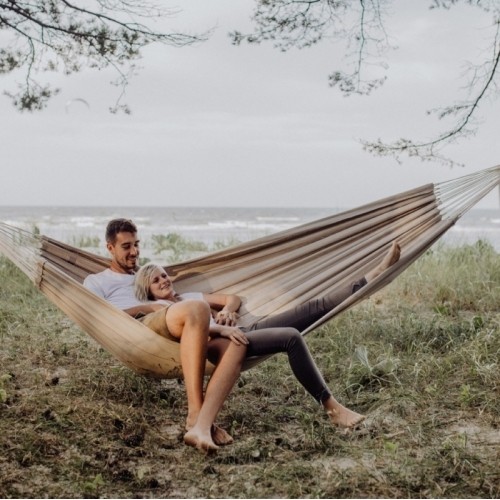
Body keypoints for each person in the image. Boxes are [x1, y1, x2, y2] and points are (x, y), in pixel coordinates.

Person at [134, 240, 401, 431]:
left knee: (313, 308)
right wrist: (221, 328)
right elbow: (192, 332)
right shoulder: (164, 310)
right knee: (291, 337)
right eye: (156, 281)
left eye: (164, 275)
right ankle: (332, 408)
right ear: (149, 292)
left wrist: (227, 311)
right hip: (228, 343)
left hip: (240, 330)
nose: (164, 280)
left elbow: (232, 298)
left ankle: (373, 274)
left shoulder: (190, 296)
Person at [83, 218, 246, 452]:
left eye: (136, 244)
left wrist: (221, 311)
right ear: (110, 248)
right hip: (138, 325)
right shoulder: (97, 281)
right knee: (196, 308)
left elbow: (179, 298)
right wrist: (148, 308)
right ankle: (195, 416)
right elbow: (98, 314)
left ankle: (201, 422)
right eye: (126, 246)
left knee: (235, 342)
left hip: (172, 322)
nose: (135, 252)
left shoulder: (148, 275)